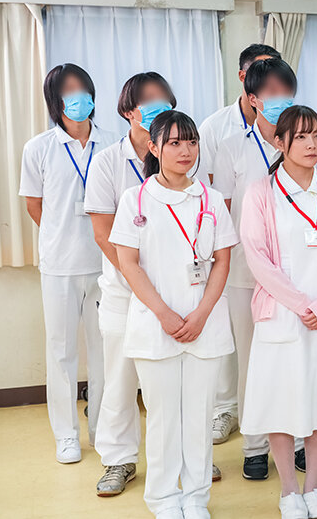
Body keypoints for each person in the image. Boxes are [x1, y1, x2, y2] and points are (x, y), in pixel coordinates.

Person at [86, 72, 212, 496]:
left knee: (180, 384)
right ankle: (119, 459)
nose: (160, 108)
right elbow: (103, 233)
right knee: (121, 379)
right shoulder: (107, 161)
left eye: (165, 100)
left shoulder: (186, 162)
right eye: (149, 101)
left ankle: (188, 459)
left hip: (181, 295)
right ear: (128, 111)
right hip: (125, 293)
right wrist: (142, 285)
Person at [110, 110, 237, 519]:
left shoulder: (211, 199)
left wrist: (201, 314)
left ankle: (196, 497)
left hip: (204, 323)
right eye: (175, 142)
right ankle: (164, 499)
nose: (186, 151)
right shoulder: (136, 199)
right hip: (155, 325)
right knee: (163, 418)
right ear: (154, 147)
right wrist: (165, 314)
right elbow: (128, 263)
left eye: (192, 142)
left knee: (199, 417)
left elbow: (222, 261)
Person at [239, 105, 317, 519]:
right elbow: (257, 256)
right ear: (280, 142)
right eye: (302, 136)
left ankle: (313, 487)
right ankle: (289, 489)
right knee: (281, 402)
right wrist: (302, 304)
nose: (311, 144)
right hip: (283, 314)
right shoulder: (261, 193)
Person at [211, 57, 309, 479]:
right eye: (270, 92)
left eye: (286, 91)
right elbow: (222, 213)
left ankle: (300, 440)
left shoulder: (303, 143)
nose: (279, 98)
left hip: (297, 277)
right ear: (252, 99)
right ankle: (254, 446)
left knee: (295, 359)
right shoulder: (232, 146)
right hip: (245, 275)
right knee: (252, 361)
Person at [18, 63, 118, 464]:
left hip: (105, 263)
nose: (78, 97)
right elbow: (34, 205)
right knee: (61, 352)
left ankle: (102, 429)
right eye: (68, 90)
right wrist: (60, 236)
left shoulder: (112, 143)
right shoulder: (38, 147)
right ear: (55, 101)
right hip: (59, 265)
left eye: (83, 88)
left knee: (104, 352)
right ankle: (66, 435)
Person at [199, 43, 280, 185]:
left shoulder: (291, 126)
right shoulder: (214, 127)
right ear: (242, 76)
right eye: (261, 73)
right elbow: (207, 185)